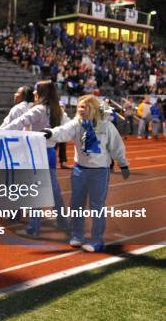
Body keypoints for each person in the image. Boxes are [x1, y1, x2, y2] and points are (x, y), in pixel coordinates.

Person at [43, 95, 129, 252]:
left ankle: (97, 240)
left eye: (84, 107)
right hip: (79, 170)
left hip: (99, 172)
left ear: (93, 108)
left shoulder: (107, 126)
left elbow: (117, 146)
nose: (80, 109)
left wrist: (123, 164)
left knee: (96, 206)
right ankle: (77, 235)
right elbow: (62, 131)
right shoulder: (77, 124)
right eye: (79, 107)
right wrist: (50, 133)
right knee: (76, 204)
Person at [1, 81, 68, 236]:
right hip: (50, 153)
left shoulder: (39, 109)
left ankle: (33, 228)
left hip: (36, 153)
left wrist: (0, 132)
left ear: (42, 93)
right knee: (54, 190)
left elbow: (19, 122)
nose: (35, 94)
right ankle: (63, 220)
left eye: (37, 91)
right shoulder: (58, 111)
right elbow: (68, 127)